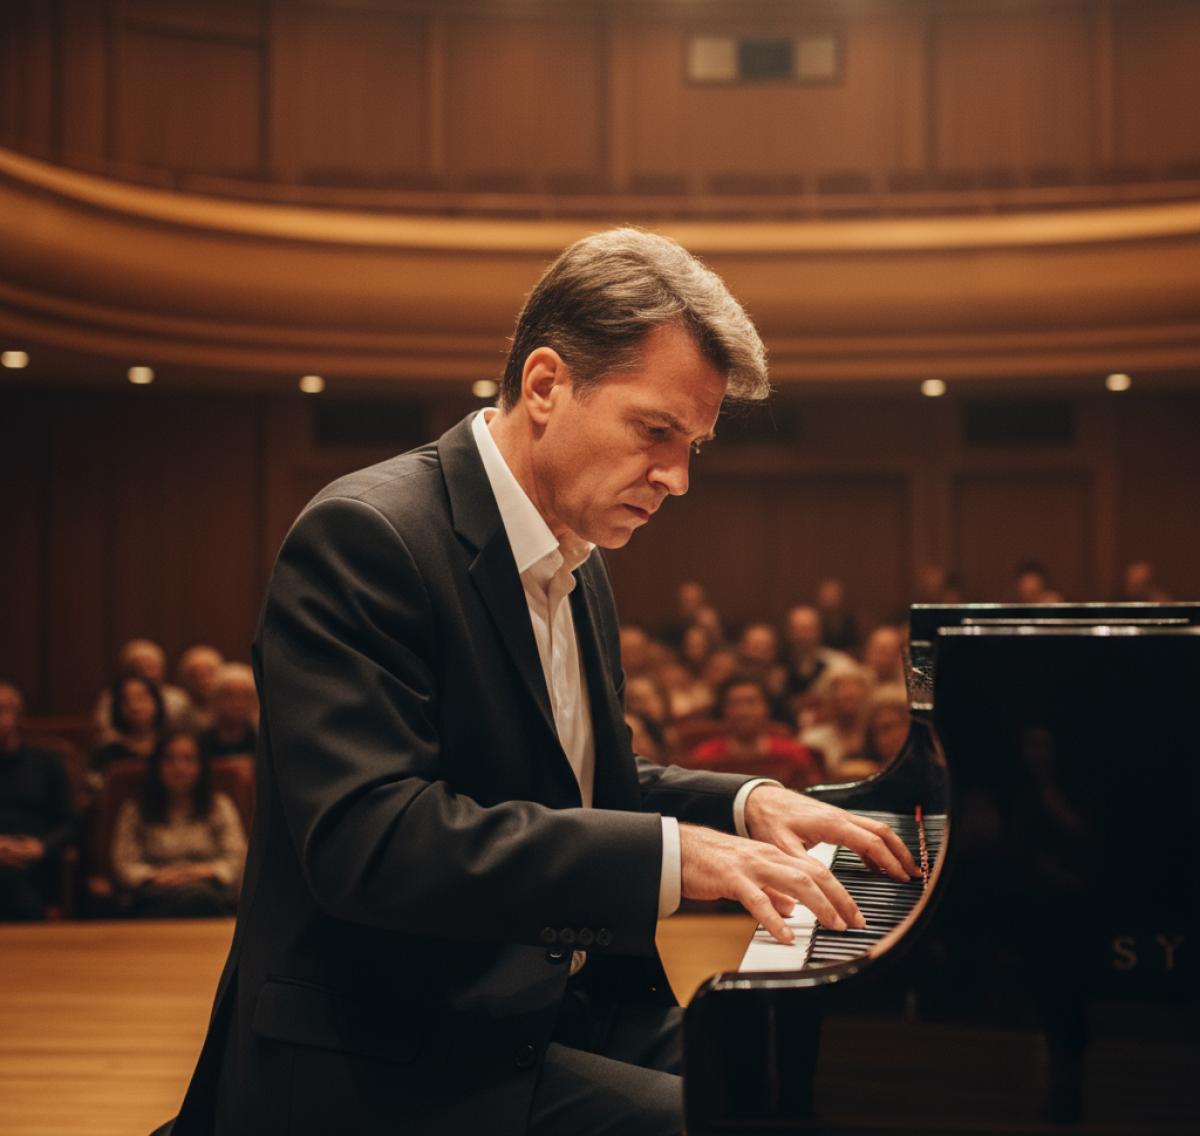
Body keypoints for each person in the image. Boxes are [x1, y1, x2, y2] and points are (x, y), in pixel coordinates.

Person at [166, 227, 914, 1136]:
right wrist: (678, 857)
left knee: (824, 1092)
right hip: (391, 1054)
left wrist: (743, 804)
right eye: (656, 431)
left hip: (548, 1008)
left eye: (694, 445)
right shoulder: (366, 537)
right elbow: (372, 841)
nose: (678, 478)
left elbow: (582, 787)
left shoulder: (578, 554)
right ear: (548, 385)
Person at [111, 732, 246, 918]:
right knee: (190, 899)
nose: (179, 767)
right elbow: (124, 863)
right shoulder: (135, 810)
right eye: (169, 759)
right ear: (157, 765)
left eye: (188, 759)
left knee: (198, 897)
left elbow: (235, 858)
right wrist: (157, 876)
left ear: (201, 766)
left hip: (209, 890)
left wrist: (199, 872)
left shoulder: (220, 806)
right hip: (153, 894)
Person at [0, 682, 74, 921]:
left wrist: (42, 846)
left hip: (36, 863)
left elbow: (69, 823)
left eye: (2, 710)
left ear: (18, 716)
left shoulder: (47, 764)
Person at [691, 676, 823, 789]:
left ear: (767, 708)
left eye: (751, 702)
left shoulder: (792, 753)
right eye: (735, 704)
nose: (744, 712)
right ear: (724, 710)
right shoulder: (706, 756)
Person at [94, 639, 194, 740]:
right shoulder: (112, 696)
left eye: (150, 666)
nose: (145, 672)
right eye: (138, 667)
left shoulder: (177, 698)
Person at [89, 672, 169, 778]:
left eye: (141, 698)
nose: (134, 706)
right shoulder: (106, 753)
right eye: (125, 701)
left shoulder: (172, 747)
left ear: (156, 701)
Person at [198, 662, 258, 761]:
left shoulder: (262, 741)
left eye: (245, 696)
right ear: (215, 699)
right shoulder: (201, 742)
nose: (238, 704)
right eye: (229, 696)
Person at [176, 645, 225, 734]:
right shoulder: (179, 715)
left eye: (209, 674)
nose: (203, 681)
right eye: (196, 675)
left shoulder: (228, 713)